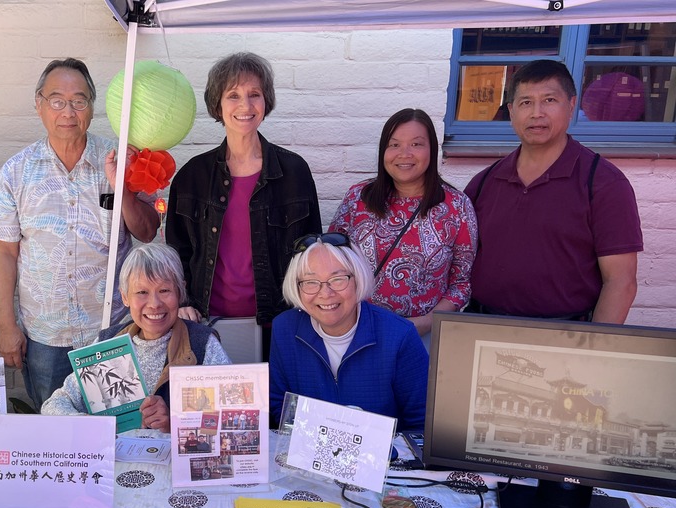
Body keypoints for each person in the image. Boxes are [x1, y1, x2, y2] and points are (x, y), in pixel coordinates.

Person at [0, 58, 159, 410]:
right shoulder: (17, 171)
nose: (68, 111)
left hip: (110, 330)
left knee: (115, 429)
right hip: (46, 336)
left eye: (79, 100)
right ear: (39, 104)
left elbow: (147, 232)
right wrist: (6, 326)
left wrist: (120, 187)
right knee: (57, 438)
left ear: (92, 107)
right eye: (57, 100)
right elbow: (3, 253)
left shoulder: (119, 161)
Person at [464, 59, 642, 323]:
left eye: (549, 100)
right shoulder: (483, 183)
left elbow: (621, 282)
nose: (537, 113)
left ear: (571, 106)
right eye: (526, 102)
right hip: (484, 329)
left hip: (565, 336)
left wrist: (595, 348)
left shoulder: (603, 184)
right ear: (511, 112)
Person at [166, 52, 321, 351]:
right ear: (218, 104)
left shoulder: (294, 172)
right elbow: (177, 255)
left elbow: (310, 252)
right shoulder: (191, 177)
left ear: (266, 101)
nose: (245, 106)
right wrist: (182, 305)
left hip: (280, 323)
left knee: (272, 399)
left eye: (254, 94)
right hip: (207, 324)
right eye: (233, 95)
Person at [41, 243, 231, 432]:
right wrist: (90, 424)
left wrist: (175, 423)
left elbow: (235, 416)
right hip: (120, 460)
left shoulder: (202, 344)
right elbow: (54, 405)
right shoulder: (107, 344)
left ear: (180, 291)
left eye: (164, 290)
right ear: (125, 297)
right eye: (142, 292)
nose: (154, 304)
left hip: (174, 460)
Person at [329, 108, 477, 341]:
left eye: (416, 144)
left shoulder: (456, 206)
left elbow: (461, 283)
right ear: (383, 151)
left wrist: (427, 322)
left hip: (422, 336)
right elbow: (332, 263)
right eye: (394, 144)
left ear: (432, 149)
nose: (404, 154)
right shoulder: (358, 198)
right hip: (359, 331)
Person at [268, 233, 427, 431]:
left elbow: (421, 422)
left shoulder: (399, 336)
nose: (325, 293)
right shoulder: (284, 329)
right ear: (297, 286)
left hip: (383, 458)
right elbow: (279, 406)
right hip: (309, 455)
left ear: (357, 279)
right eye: (310, 282)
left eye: (338, 279)